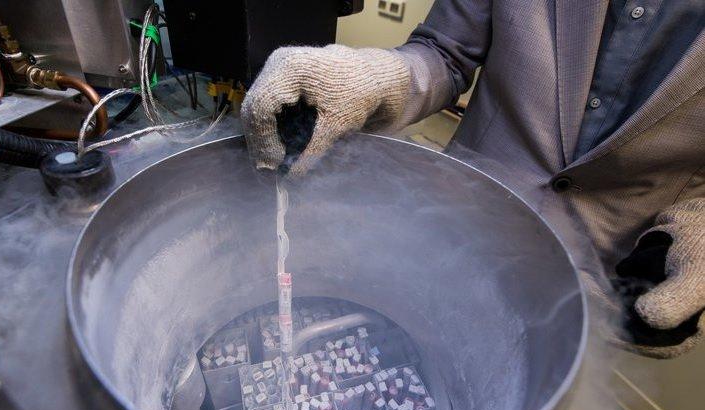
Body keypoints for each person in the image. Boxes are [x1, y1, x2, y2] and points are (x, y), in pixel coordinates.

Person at [241, 0, 704, 357]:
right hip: (459, 228)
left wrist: (696, 230)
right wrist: (367, 78)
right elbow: (445, 53)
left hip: (595, 285)